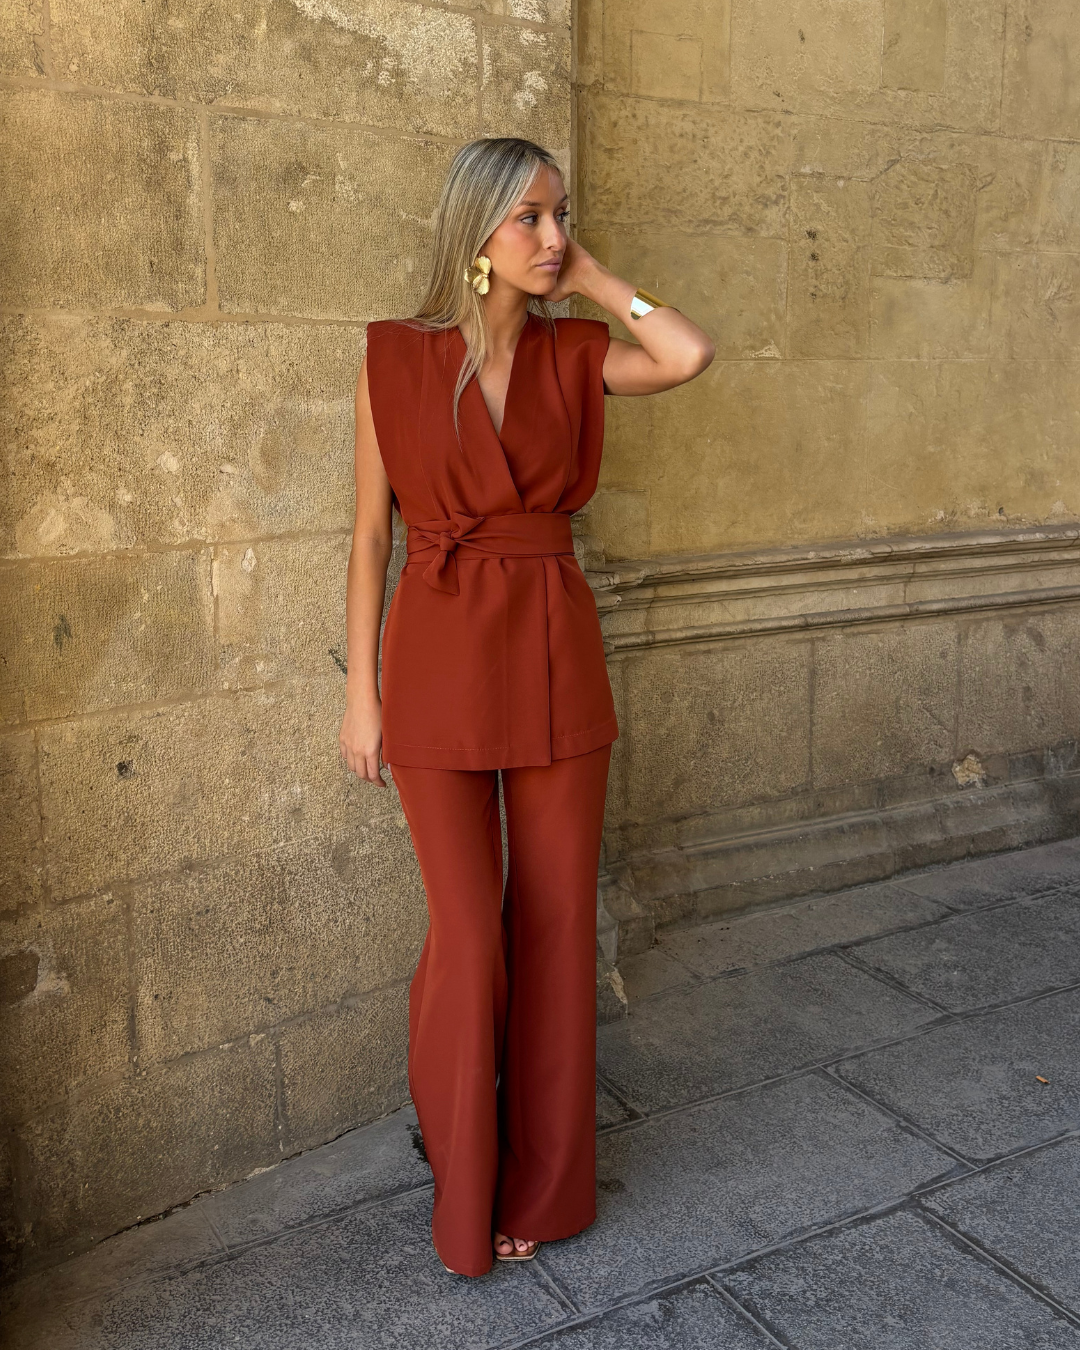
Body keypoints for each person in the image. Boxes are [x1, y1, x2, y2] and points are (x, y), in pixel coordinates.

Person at [338, 136, 714, 1277]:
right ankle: (464, 1174)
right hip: (437, 659)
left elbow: (687, 354)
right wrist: (361, 694)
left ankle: (544, 1192)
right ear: (478, 233)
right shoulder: (393, 356)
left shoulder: (576, 354)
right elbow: (369, 537)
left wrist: (593, 278)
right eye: (531, 219)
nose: (553, 237)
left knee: (553, 926)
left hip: (554, 653)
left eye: (562, 216)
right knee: (469, 937)